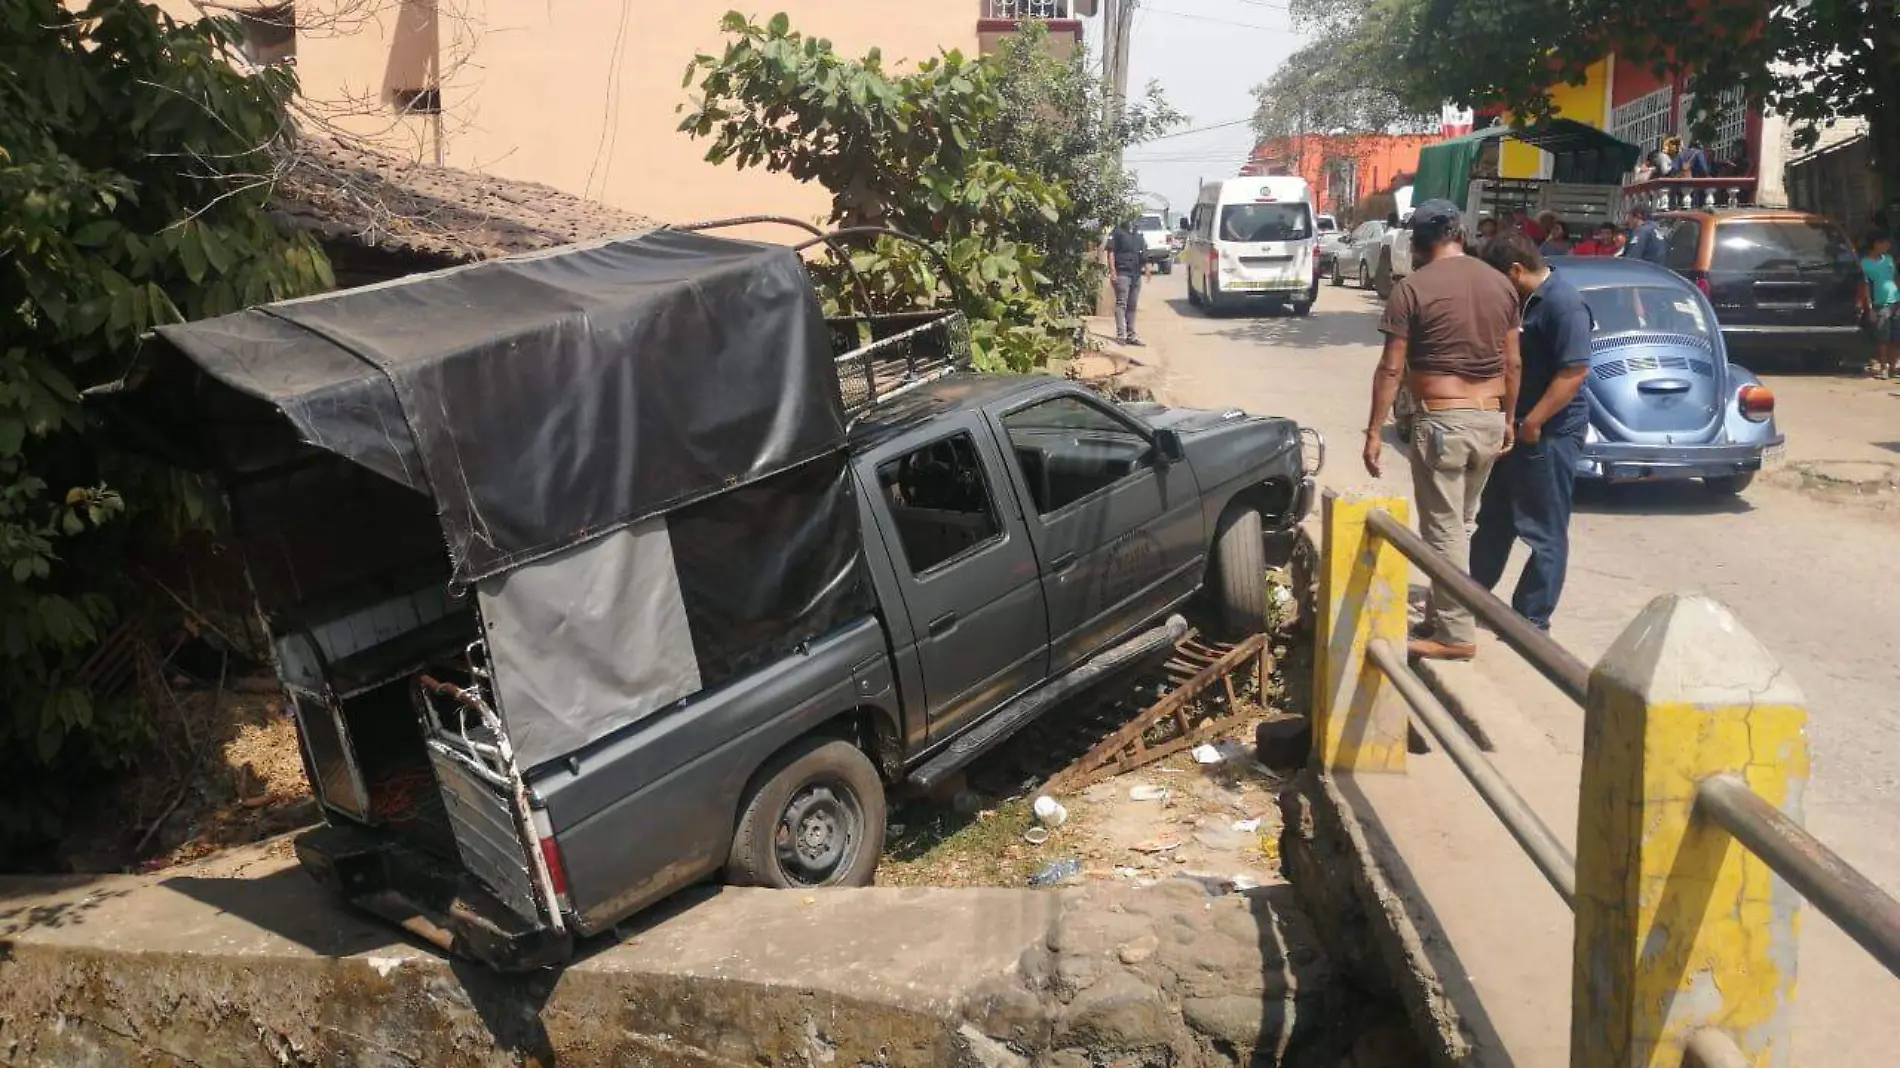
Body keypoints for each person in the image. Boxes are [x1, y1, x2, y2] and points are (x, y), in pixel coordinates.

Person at [1363, 199, 1523, 661]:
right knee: (1460, 525)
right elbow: (1512, 361)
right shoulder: (1500, 283)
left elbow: (1391, 369)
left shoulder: (1411, 288)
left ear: (1418, 240)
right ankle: (1441, 613)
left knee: (1443, 531)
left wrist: (1374, 429)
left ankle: (1455, 635)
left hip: (1443, 421)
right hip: (1490, 419)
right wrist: (1509, 418)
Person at [1471, 235, 1592, 632]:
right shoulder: (1519, 302)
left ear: (1516, 271)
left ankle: (1531, 618)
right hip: (1514, 428)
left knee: (1544, 531)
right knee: (1495, 518)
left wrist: (1535, 422)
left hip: (1548, 433)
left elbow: (1573, 373)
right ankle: (1471, 598)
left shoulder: (1563, 305)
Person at [1859, 232, 1900, 378]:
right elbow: (1865, 286)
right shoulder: (1865, 263)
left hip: (1896, 300)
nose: (1888, 246)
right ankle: (1883, 366)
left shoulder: (1888, 259)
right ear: (1876, 244)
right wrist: (1869, 308)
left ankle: (1894, 367)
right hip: (1880, 303)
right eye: (1885, 243)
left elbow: (1895, 278)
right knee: (1884, 336)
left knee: (1897, 336)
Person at [1104, 215, 1148, 346]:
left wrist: (1147, 268)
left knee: (1132, 306)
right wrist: (1112, 271)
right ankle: (1121, 335)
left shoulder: (1138, 234)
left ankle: (1131, 336)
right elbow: (1110, 252)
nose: (1132, 221)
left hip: (1135, 274)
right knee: (1121, 304)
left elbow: (1143, 253)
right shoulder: (1117, 232)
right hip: (1122, 273)